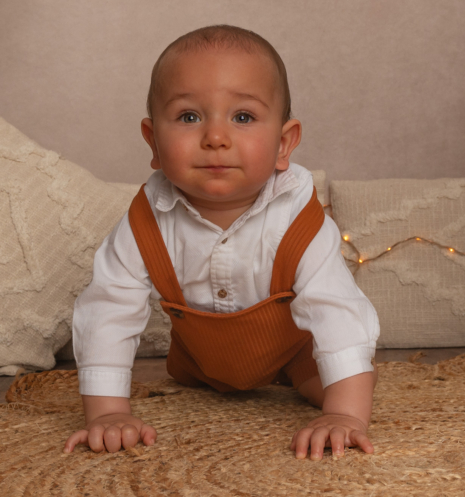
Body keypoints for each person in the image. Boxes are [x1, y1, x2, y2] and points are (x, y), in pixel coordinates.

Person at [64, 25, 379, 460]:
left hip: (295, 355)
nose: (215, 137)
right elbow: (108, 308)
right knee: (186, 385)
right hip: (198, 363)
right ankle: (197, 380)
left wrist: (345, 415)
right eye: (189, 117)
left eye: (243, 117)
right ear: (153, 141)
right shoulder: (145, 222)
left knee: (332, 385)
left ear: (284, 143)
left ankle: (326, 392)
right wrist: (107, 411)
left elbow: (337, 312)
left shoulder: (299, 221)